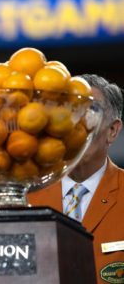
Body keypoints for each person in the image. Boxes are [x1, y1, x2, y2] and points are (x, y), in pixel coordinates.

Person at [28, 74, 124, 284]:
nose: (76, 125)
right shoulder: (26, 198)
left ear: (113, 131)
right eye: (69, 111)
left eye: (90, 111)